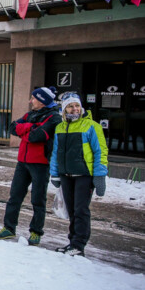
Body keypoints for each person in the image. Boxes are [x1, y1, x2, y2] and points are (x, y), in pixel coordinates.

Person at [0, 87, 62, 245]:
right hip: (23, 162)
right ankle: (9, 228)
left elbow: (36, 136)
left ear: (42, 100)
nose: (30, 101)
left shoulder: (54, 117)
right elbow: (12, 127)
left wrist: (24, 129)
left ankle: (36, 232)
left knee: (38, 199)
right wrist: (30, 127)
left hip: (40, 164)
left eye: (33, 98)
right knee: (14, 196)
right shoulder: (30, 115)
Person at [50, 92, 108, 257]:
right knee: (71, 211)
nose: (75, 109)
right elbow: (56, 152)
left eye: (77, 105)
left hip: (84, 175)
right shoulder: (60, 127)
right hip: (66, 175)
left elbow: (101, 151)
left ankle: (78, 245)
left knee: (81, 210)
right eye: (70, 106)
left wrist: (100, 176)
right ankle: (72, 242)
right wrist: (54, 173)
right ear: (64, 109)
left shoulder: (91, 126)